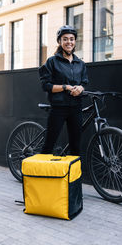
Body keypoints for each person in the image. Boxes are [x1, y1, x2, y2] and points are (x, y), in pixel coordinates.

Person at [39, 25, 88, 156]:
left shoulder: (80, 63)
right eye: (65, 39)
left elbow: (84, 82)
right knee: (49, 144)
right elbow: (46, 86)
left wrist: (80, 88)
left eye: (71, 39)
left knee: (76, 146)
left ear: (75, 42)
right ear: (60, 42)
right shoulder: (52, 62)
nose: (69, 42)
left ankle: (73, 176)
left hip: (76, 107)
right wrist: (65, 87)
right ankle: (40, 174)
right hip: (58, 108)